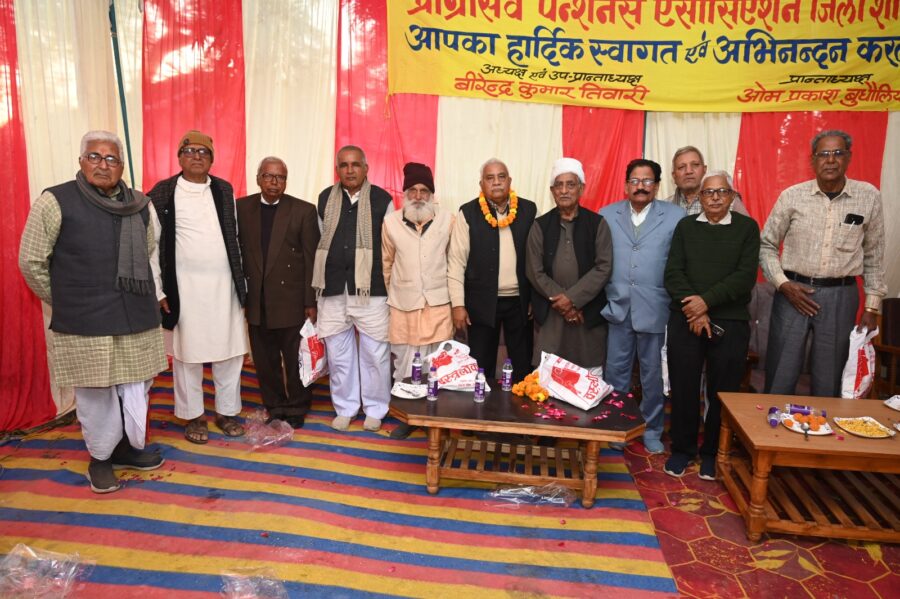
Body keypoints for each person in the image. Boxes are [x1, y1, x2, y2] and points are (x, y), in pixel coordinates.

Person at [19, 130, 167, 493]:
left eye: (111, 158)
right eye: (95, 157)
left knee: (135, 387)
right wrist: (67, 300)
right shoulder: (55, 201)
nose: (103, 165)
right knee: (96, 394)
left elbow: (149, 249)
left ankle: (125, 448)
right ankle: (100, 458)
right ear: (81, 161)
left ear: (121, 166)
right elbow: (31, 261)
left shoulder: (140, 204)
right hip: (85, 321)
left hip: (135, 315)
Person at [760, 129, 885, 397]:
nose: (830, 160)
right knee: (781, 373)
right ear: (812, 160)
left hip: (841, 296)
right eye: (823, 154)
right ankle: (771, 423)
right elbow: (766, 245)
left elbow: (874, 254)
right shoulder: (792, 196)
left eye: (838, 153)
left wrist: (872, 307)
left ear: (848, 157)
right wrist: (783, 285)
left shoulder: (868, 196)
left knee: (828, 380)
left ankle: (822, 423)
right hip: (793, 293)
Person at [148, 130, 248, 444]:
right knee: (187, 355)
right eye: (189, 151)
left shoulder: (224, 189)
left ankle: (226, 412)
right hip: (184, 289)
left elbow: (234, 238)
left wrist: (242, 283)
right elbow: (152, 246)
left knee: (229, 352)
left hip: (225, 287)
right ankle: (194, 416)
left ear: (211, 159)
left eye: (203, 152)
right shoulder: (162, 192)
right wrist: (159, 290)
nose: (196, 156)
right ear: (179, 157)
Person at [663, 171, 760, 479]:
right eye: (708, 192)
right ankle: (682, 449)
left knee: (722, 390)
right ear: (700, 198)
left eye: (722, 192)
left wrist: (705, 302)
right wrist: (696, 310)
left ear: (732, 196)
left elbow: (744, 277)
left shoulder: (747, 228)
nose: (715, 197)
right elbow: (673, 273)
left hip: (730, 322)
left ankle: (712, 452)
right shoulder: (686, 226)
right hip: (686, 319)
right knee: (684, 386)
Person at [599, 159, 685, 455]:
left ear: (657, 185)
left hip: (656, 308)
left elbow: (680, 262)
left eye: (647, 181)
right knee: (616, 374)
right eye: (635, 181)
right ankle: (617, 427)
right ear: (626, 185)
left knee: (653, 377)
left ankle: (652, 430)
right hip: (617, 307)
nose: (641, 187)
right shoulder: (607, 215)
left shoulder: (675, 216)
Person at [313, 145, 393, 432]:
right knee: (338, 354)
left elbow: (389, 246)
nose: (350, 170)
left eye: (355, 164)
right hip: (332, 287)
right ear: (337, 169)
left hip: (371, 290)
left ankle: (375, 408)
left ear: (366, 168)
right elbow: (320, 239)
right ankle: (345, 407)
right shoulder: (325, 198)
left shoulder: (382, 199)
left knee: (375, 354)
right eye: (344, 165)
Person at [237, 157, 319, 428]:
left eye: (280, 177)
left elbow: (311, 259)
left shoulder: (303, 211)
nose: (274, 182)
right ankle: (274, 405)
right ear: (258, 178)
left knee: (295, 359)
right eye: (268, 176)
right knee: (265, 360)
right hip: (256, 299)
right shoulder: (241, 208)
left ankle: (297, 406)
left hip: (291, 299)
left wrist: (310, 301)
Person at [382, 163, 454, 439]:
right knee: (404, 364)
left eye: (424, 190)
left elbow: (454, 262)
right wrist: (394, 295)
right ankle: (408, 417)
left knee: (437, 365)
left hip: (438, 306)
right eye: (413, 190)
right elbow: (386, 264)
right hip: (404, 307)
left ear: (432, 194)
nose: (418, 196)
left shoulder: (448, 220)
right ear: (404, 193)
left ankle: (434, 417)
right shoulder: (391, 222)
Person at [448, 158, 537, 382]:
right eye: (490, 178)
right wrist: (458, 305)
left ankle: (520, 403)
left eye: (501, 177)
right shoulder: (468, 213)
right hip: (481, 302)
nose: (496, 182)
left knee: (523, 366)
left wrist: (534, 298)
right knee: (481, 366)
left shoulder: (529, 210)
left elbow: (538, 260)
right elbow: (456, 262)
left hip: (520, 303)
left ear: (509, 181)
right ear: (481, 184)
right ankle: (481, 402)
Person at [527, 158, 613, 370]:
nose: (564, 190)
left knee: (589, 377)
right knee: (547, 376)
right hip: (552, 314)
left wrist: (573, 299)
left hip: (587, 313)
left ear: (581, 188)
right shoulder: (539, 225)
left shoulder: (597, 223)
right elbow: (534, 271)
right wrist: (565, 304)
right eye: (559, 185)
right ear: (552, 191)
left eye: (570, 184)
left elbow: (604, 267)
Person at [666, 146, 748, 216]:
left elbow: (748, 228)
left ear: (704, 170)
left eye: (695, 165)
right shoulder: (664, 206)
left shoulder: (729, 201)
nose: (688, 171)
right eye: (681, 167)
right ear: (674, 175)